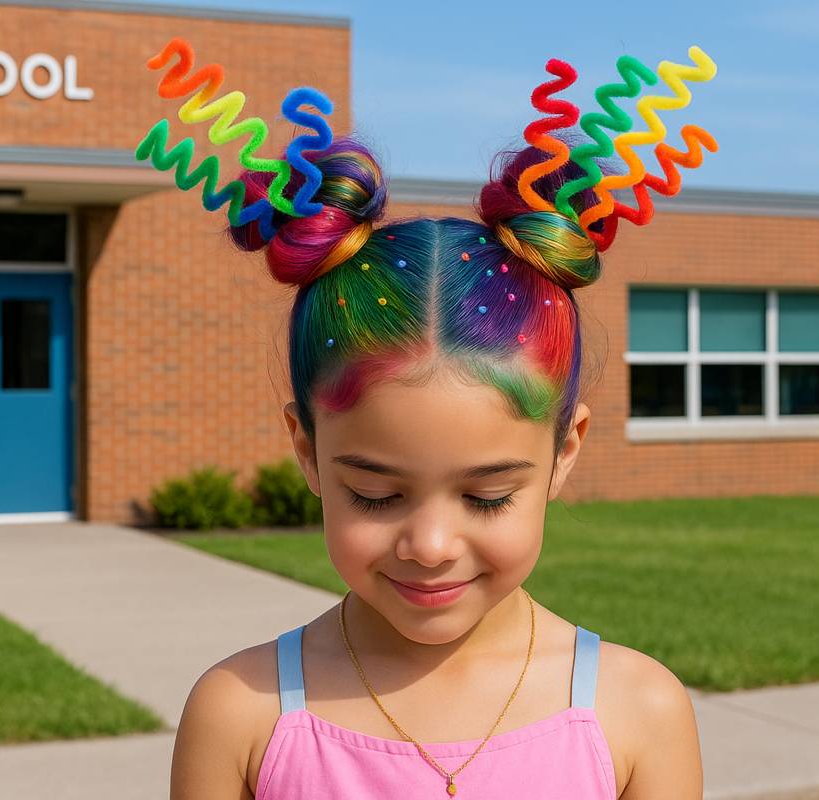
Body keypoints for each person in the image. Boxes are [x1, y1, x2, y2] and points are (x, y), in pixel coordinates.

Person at [166, 127, 704, 799]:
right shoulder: (242, 716)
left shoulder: (636, 713)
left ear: (565, 451)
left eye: (487, 497)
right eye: (374, 494)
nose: (430, 546)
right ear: (307, 450)